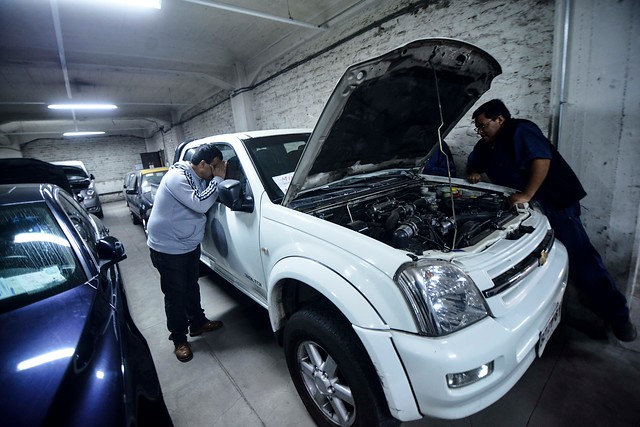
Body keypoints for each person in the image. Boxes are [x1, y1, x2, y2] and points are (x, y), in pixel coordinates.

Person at [466, 99, 636, 342]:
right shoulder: (486, 145)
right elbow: (474, 164)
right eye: (478, 128)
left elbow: (541, 160)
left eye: (483, 126)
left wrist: (526, 194)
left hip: (555, 204)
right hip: (526, 210)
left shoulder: (520, 129)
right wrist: (472, 172)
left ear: (500, 119)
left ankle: (619, 317)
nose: (480, 132)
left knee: (581, 259)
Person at [147, 144, 228, 362]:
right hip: (168, 248)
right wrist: (218, 180)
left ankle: (198, 323)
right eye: (215, 167)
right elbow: (200, 204)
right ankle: (179, 340)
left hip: (188, 244)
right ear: (202, 165)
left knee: (191, 286)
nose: (218, 171)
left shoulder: (197, 175)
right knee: (175, 295)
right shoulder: (177, 177)